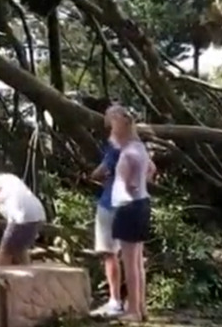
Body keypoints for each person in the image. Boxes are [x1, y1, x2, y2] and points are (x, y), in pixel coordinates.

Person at [106, 105, 154, 322]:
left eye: (111, 125)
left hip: (129, 208)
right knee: (137, 262)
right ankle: (140, 307)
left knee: (129, 263)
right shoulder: (140, 148)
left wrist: (129, 188)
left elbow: (123, 184)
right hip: (143, 204)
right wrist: (141, 182)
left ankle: (133, 310)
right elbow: (152, 169)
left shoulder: (127, 154)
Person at [0, 162, 46, 266]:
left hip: (21, 218)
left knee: (4, 254)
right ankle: (28, 279)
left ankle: (2, 279)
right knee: (20, 251)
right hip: (38, 215)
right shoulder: (11, 178)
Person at [90, 129, 124, 316]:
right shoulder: (136, 146)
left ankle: (115, 300)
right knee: (131, 255)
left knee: (109, 254)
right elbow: (150, 168)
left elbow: (99, 172)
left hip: (110, 203)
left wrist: (95, 175)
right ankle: (135, 303)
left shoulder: (114, 146)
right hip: (131, 204)